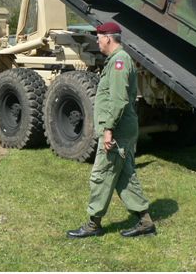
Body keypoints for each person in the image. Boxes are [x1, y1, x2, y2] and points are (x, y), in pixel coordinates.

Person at [67, 22, 156, 238]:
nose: (97, 41)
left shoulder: (119, 62)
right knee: (124, 177)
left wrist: (108, 130)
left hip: (116, 131)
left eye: (99, 37)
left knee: (101, 175)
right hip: (121, 130)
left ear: (108, 38)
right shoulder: (116, 61)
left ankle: (93, 224)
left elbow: (118, 100)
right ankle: (145, 223)